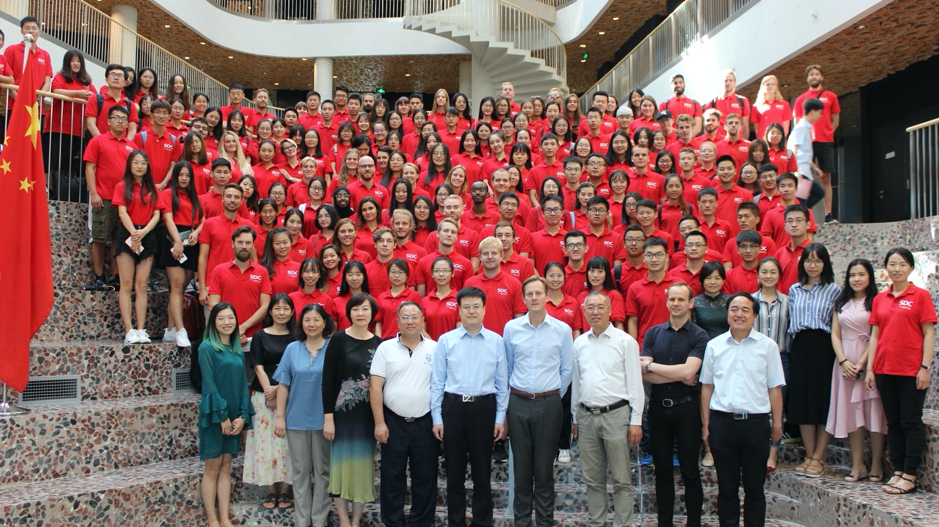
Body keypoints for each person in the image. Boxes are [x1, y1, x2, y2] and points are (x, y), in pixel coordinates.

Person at [701, 292, 784, 527]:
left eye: (745, 310)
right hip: (722, 424)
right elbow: (707, 387)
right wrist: (706, 425)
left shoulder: (768, 346)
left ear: (755, 315)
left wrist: (776, 424)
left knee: (755, 489)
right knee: (726, 489)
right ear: (727, 314)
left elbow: (774, 388)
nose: (739, 314)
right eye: (734, 309)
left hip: (756, 425)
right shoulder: (714, 346)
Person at [430, 286, 509, 527]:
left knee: (482, 474)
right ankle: (456, 522)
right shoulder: (446, 341)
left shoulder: (496, 341)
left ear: (485, 310)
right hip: (453, 408)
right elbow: (437, 382)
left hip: (484, 410)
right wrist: (437, 418)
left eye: (476, 306)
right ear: (459, 310)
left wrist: (500, 418)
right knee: (454, 474)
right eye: (466, 306)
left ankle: (482, 522)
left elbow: (502, 383)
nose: (471, 311)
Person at [503, 276, 574, 527]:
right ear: (523, 299)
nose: (534, 297)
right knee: (521, 471)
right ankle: (521, 522)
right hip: (518, 403)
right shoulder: (511, 328)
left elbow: (567, 370)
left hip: (549, 404)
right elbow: (508, 367)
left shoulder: (562, 330)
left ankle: (545, 522)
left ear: (547, 297)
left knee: (544, 470)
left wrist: (552, 395)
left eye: (538, 293)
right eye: (529, 294)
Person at [865, 248, 937, 495]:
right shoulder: (879, 299)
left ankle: (910, 474)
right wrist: (871, 369)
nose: (896, 269)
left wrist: (924, 368)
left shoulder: (920, 296)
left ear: (910, 268)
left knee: (910, 421)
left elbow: (929, 333)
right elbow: (875, 336)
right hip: (884, 369)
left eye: (902, 264)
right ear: (886, 268)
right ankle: (897, 470)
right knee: (893, 422)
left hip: (910, 370)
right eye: (892, 264)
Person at [572, 291, 644, 527]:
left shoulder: (625, 342)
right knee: (592, 479)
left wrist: (636, 420)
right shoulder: (579, 343)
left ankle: (623, 524)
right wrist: (575, 417)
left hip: (617, 416)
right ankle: (596, 522)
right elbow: (577, 381)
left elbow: (635, 383)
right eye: (590, 307)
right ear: (584, 311)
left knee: (621, 479)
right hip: (586, 416)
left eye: (600, 307)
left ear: (610, 310)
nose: (595, 312)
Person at [640, 282, 708, 527]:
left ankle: (694, 523)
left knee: (690, 471)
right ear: (667, 302)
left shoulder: (699, 335)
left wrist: (651, 366)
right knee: (662, 472)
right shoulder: (653, 333)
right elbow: (643, 374)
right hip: (658, 409)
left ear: (690, 303)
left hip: (687, 409)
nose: (676, 304)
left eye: (681, 300)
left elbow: (690, 370)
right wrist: (678, 374)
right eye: (672, 299)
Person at [369, 302, 439, 527]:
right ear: (397, 321)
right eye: (405, 317)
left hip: (425, 423)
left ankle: (421, 523)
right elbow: (375, 387)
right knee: (392, 478)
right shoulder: (385, 348)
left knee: (426, 478)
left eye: (414, 317)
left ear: (422, 320)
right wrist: (379, 423)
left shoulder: (435, 348)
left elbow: (441, 386)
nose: (410, 321)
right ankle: (393, 522)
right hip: (393, 422)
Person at [322, 293, 382, 526]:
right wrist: (328, 418)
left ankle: (356, 520)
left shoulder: (379, 343)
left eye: (365, 309)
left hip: (367, 416)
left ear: (372, 313)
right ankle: (344, 521)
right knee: (341, 468)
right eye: (356, 309)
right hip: (341, 414)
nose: (360, 313)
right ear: (349, 312)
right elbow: (327, 380)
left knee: (362, 469)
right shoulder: (338, 339)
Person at [273, 303, 334, 527]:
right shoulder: (292, 349)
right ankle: (302, 520)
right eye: (307, 319)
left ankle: (319, 520)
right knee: (299, 472)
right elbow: (283, 385)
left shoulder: (333, 347)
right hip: (296, 420)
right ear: (301, 323)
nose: (312, 324)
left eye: (316, 319)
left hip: (324, 420)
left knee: (323, 472)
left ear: (325, 322)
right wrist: (280, 416)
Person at [827, 259, 886, 483]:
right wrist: (843, 361)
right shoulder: (841, 301)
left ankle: (877, 465)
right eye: (852, 275)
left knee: (873, 412)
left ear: (869, 277)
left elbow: (875, 336)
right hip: (844, 363)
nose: (857, 279)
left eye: (861, 274)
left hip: (869, 360)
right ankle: (858, 464)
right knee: (852, 414)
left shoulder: (876, 301)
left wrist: (861, 364)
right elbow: (835, 333)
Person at [198, 302, 254, 527]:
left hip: (234, 417)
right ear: (213, 322)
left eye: (230, 318)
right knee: (212, 467)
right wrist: (221, 416)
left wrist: (243, 416)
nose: (227, 322)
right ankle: (212, 519)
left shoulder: (237, 351)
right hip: (215, 416)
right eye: (221, 318)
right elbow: (209, 386)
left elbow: (242, 387)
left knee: (226, 466)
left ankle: (224, 516)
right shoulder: (206, 348)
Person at [787, 242, 840, 478]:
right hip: (799, 347)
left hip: (823, 347)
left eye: (818, 261)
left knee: (822, 400)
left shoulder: (834, 290)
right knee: (802, 400)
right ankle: (809, 455)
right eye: (809, 260)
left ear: (825, 264)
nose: (813, 265)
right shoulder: (794, 290)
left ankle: (819, 456)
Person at [83, 105, 136, 291]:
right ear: (108, 121)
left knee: (117, 239)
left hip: (124, 202)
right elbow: (90, 168)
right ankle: (98, 276)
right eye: (117, 117)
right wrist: (94, 193)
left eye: (124, 118)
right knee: (99, 238)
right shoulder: (98, 141)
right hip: (103, 197)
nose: (121, 121)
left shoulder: (132, 146)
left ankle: (114, 276)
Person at [751, 257, 792, 471]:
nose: (768, 276)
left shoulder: (788, 301)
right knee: (756, 404)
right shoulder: (750, 301)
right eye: (764, 272)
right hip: (754, 358)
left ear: (779, 275)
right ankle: (756, 449)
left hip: (781, 357)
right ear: (757, 275)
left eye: (773, 272)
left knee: (777, 406)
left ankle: (772, 453)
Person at [207, 226, 272, 344]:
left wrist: (243, 327)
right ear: (232, 244)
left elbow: (265, 306)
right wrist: (231, 330)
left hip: (254, 338)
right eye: (240, 242)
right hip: (225, 338)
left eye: (248, 243)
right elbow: (213, 305)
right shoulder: (219, 270)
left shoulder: (262, 272)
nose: (244, 246)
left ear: (253, 246)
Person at [794, 65, 841, 224]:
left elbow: (835, 119)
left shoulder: (831, 96)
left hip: (825, 140)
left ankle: (828, 214)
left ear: (822, 77)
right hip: (807, 142)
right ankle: (801, 213)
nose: (814, 76)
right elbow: (797, 122)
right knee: (805, 177)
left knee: (826, 177)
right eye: (811, 74)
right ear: (807, 78)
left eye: (816, 74)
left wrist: (827, 131)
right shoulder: (801, 99)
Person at [463, 237, 526, 335]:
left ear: (501, 255)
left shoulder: (514, 284)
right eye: (485, 253)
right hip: (475, 340)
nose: (490, 257)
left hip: (504, 342)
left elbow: (519, 319)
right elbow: (464, 315)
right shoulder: (470, 283)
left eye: (494, 253)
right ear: (479, 257)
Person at [789, 98, 825, 210]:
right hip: (802, 172)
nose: (820, 116)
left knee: (815, 194)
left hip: (805, 171)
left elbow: (803, 152)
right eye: (819, 113)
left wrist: (815, 168)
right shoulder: (801, 127)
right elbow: (794, 148)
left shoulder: (805, 127)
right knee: (802, 201)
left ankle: (800, 213)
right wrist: (796, 171)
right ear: (813, 111)